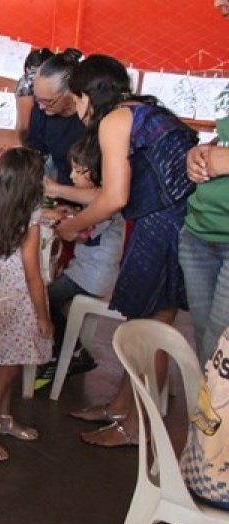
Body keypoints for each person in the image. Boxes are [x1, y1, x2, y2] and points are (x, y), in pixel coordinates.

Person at [57, 54, 197, 448]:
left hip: (158, 226)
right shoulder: (147, 110)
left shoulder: (115, 120)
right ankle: (121, 406)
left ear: (87, 95)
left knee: (146, 331)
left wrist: (72, 226)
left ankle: (136, 425)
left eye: (75, 100)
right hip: (179, 223)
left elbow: (115, 196)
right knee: (154, 326)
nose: (76, 109)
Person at [0, 148, 54, 462]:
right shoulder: (29, 222)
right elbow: (33, 275)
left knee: (9, 362)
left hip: (6, 294)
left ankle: (3, 419)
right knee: (6, 371)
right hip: (24, 301)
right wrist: (43, 316)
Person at [37, 140, 124, 383]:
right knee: (49, 296)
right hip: (88, 273)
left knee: (44, 299)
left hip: (91, 277)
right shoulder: (98, 203)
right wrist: (68, 214)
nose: (72, 176)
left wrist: (59, 218)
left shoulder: (105, 206)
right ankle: (66, 350)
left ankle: (72, 351)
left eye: (79, 170)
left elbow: (75, 232)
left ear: (97, 173)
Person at [179, 0, 229, 365]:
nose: (217, 4)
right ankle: (206, 423)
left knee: (219, 357)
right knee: (209, 352)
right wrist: (204, 151)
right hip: (201, 230)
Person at [28, 51, 86, 186]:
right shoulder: (40, 112)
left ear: (70, 91)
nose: (41, 107)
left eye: (48, 101)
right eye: (37, 99)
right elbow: (37, 154)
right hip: (62, 194)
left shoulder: (90, 117)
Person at [15, 47, 53, 145]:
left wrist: (26, 147)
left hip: (38, 142)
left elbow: (24, 126)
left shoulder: (26, 81)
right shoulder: (59, 79)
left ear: (27, 67)